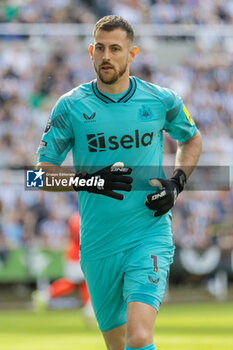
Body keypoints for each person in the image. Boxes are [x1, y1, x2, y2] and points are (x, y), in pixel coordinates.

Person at [36, 15, 202, 350]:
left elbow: (192, 139)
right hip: (98, 244)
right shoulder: (70, 107)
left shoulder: (161, 100)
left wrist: (177, 182)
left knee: (140, 337)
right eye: (100, 48)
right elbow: (38, 175)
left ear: (133, 54)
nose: (107, 56)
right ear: (90, 52)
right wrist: (87, 180)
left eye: (115, 48)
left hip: (149, 233)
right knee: (118, 344)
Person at [32, 212, 94, 321]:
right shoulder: (80, 217)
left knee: (81, 282)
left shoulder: (78, 217)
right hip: (78, 255)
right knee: (81, 281)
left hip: (77, 254)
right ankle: (89, 310)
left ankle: (89, 309)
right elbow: (79, 235)